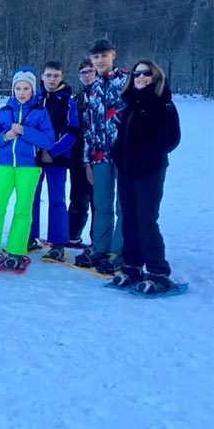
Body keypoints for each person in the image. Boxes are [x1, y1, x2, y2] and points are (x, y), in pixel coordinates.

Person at [108, 60, 181, 294]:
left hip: (150, 171)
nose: (140, 77)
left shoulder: (163, 104)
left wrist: (146, 155)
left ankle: (158, 271)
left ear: (155, 76)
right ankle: (132, 266)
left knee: (146, 220)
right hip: (127, 171)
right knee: (129, 219)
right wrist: (118, 155)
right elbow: (122, 136)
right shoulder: (131, 103)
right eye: (137, 73)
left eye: (146, 73)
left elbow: (172, 138)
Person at [0, 68, 55, 271]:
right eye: (18, 88)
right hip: (5, 166)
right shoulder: (4, 111)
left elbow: (48, 141)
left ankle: (16, 250)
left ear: (32, 90)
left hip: (29, 167)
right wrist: (6, 136)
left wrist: (25, 131)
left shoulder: (40, 111)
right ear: (13, 89)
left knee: (23, 209)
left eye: (26, 88)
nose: (22, 92)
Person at [74, 39, 128, 273]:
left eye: (104, 56)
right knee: (102, 203)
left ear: (113, 55)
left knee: (123, 205)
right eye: (95, 57)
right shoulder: (92, 88)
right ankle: (100, 247)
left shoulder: (127, 82)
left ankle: (120, 250)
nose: (100, 60)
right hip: (99, 155)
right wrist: (87, 160)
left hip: (124, 154)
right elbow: (88, 127)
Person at [27, 62, 80, 261]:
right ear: (42, 76)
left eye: (56, 76)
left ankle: (58, 242)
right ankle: (29, 235)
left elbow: (72, 132)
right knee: (31, 196)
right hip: (35, 156)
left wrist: (53, 151)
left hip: (57, 157)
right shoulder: (35, 98)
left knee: (57, 199)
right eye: (48, 75)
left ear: (62, 77)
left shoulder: (67, 101)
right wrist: (37, 149)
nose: (52, 79)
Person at [67, 59, 96, 247]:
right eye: (83, 72)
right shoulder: (77, 98)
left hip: (98, 154)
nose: (87, 75)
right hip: (77, 154)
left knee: (98, 200)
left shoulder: (102, 94)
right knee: (78, 197)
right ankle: (72, 235)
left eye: (90, 71)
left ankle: (99, 241)